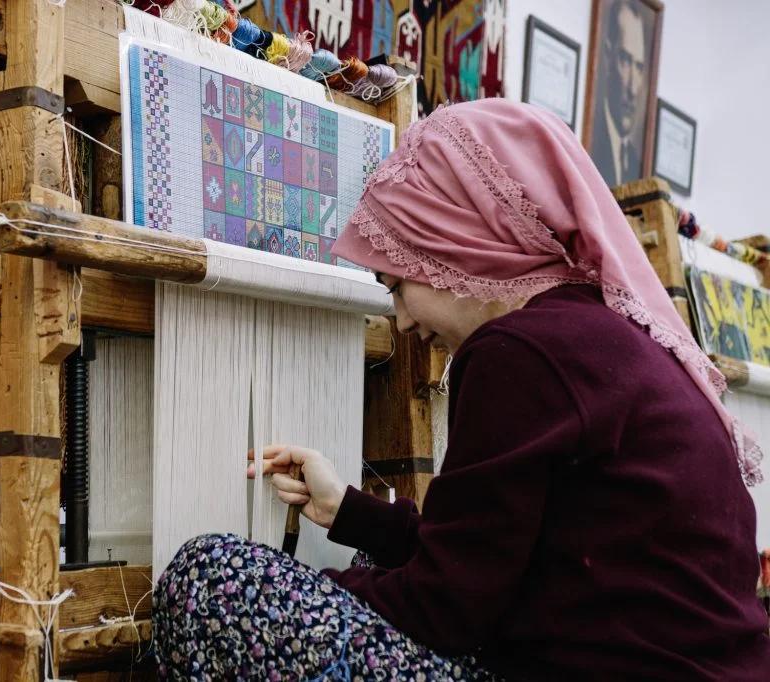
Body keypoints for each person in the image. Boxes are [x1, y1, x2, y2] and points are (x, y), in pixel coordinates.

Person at [152, 98, 770, 680]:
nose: (401, 321)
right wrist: (349, 512)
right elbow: (494, 553)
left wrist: (298, 596)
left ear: (456, 246)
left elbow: (446, 607)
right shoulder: (606, 334)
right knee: (371, 562)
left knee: (211, 580)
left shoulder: (520, 353)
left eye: (396, 284)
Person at [591, 0, 649, 186]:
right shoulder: (590, 144)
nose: (633, 89)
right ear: (608, 57)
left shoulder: (634, 162)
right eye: (625, 60)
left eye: (639, 67)